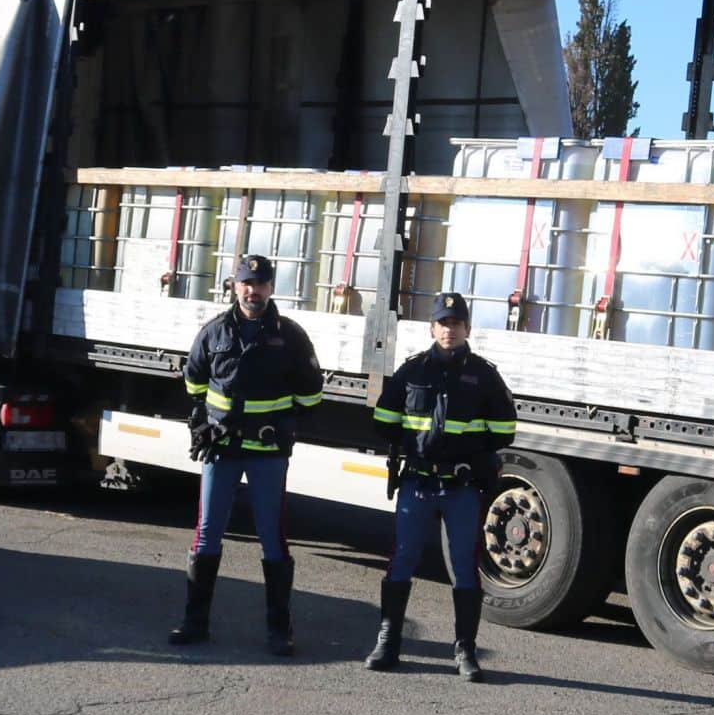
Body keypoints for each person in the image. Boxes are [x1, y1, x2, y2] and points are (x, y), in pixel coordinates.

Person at [168, 253, 325, 656]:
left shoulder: (290, 336)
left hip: (267, 453)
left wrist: (282, 419)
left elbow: (311, 394)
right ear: (234, 285)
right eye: (245, 283)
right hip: (221, 450)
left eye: (260, 284)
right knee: (207, 536)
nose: (252, 291)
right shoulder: (214, 332)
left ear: (271, 288)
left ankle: (279, 631)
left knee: (273, 539)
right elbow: (194, 384)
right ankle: (194, 623)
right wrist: (203, 421)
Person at [364, 291, 516, 680]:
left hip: (461, 488)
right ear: (432, 327)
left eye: (456, 323)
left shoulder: (484, 375)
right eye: (443, 323)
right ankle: (388, 641)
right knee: (401, 560)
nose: (449, 330)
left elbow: (505, 430)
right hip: (417, 482)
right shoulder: (412, 371)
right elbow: (383, 419)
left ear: (467, 328)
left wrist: (474, 452)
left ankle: (465, 651)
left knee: (464, 568)